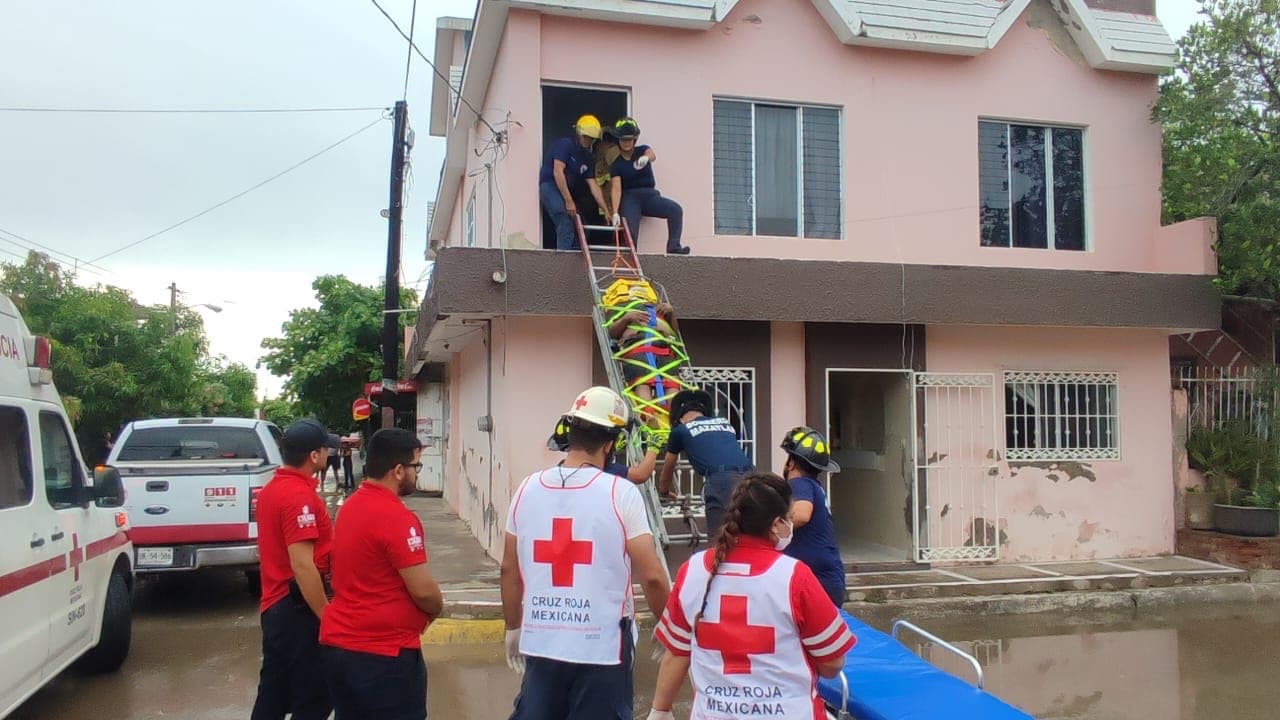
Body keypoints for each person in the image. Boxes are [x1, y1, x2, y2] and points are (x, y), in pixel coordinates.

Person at [502, 386, 671, 720]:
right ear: (610, 443)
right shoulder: (620, 493)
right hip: (603, 644)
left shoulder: (527, 488)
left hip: (542, 639)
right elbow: (651, 575)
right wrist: (668, 625)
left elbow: (509, 569)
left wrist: (512, 627)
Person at [646, 472, 856, 720]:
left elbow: (677, 653)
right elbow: (832, 664)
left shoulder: (692, 571)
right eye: (788, 518)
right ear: (777, 524)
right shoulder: (794, 577)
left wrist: (659, 711)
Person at [320, 428, 444, 720]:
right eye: (416, 466)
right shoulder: (396, 518)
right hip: (383, 655)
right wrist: (435, 610)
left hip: (341, 648)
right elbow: (424, 592)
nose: (418, 473)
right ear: (398, 470)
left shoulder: (350, 506)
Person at [251, 418, 335, 720]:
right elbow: (303, 565)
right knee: (313, 698)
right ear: (314, 456)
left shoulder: (274, 488)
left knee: (273, 693)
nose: (329, 454)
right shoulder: (298, 497)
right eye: (326, 449)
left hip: (275, 605)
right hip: (297, 610)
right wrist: (327, 617)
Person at [658, 389, 753, 539]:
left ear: (680, 418)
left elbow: (668, 466)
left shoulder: (680, 430)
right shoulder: (724, 423)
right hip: (751, 477)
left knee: (718, 539)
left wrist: (663, 492)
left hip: (721, 481)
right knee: (749, 531)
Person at [779, 427, 847, 607]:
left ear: (791, 463)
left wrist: (766, 527)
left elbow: (801, 515)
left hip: (816, 583)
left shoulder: (799, 483)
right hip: (827, 579)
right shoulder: (813, 487)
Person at [608, 117, 688, 254]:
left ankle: (673, 247)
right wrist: (615, 212)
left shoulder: (642, 150)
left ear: (635, 139)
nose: (627, 143)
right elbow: (616, 189)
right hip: (630, 198)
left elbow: (651, 155)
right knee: (630, 231)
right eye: (623, 139)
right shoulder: (617, 164)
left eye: (629, 139)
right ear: (618, 140)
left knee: (675, 210)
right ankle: (630, 256)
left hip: (649, 196)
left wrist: (646, 158)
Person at [540, 114, 611, 251]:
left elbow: (593, 185)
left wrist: (606, 210)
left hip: (566, 192)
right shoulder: (564, 145)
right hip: (551, 186)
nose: (588, 140)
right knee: (565, 220)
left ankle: (575, 265)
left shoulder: (587, 157)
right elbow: (557, 172)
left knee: (583, 229)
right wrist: (568, 201)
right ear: (578, 133)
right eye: (586, 137)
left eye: (591, 138)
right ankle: (563, 262)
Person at [607, 294, 683, 421]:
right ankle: (649, 417)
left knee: (672, 385)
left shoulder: (658, 308)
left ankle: (678, 418)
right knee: (643, 382)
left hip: (663, 349)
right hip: (637, 348)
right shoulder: (621, 307)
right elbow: (612, 333)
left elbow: (675, 333)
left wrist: (671, 313)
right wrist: (627, 318)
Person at [547, 417, 661, 485]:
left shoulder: (554, 474)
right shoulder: (605, 470)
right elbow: (640, 475)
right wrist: (653, 448)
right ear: (608, 444)